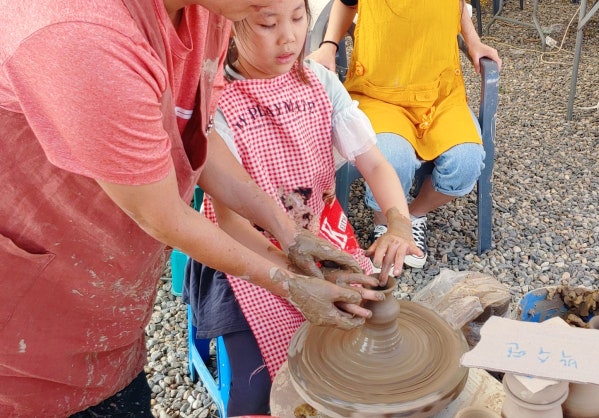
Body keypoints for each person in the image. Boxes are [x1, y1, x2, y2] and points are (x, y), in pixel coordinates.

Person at [0, 1, 387, 416]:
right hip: (30, 317)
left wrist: (289, 233)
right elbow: (160, 212)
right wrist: (286, 282)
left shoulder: (213, 8)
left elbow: (195, 132)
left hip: (111, 285)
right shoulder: (81, 34)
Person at [184, 0, 421, 414]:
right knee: (263, 387)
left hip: (322, 237)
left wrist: (398, 222)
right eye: (268, 23)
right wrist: (291, 276)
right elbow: (232, 225)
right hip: (242, 253)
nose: (290, 36)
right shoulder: (217, 97)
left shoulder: (322, 83)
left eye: (298, 18)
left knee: (365, 338)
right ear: (230, 26)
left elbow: (376, 163)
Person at [308, 0, 503, 269]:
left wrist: (473, 41)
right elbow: (346, 3)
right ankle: (386, 223)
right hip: (378, 92)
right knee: (392, 158)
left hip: (440, 94)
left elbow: (458, 5)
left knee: (467, 163)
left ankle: (412, 216)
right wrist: (328, 46)